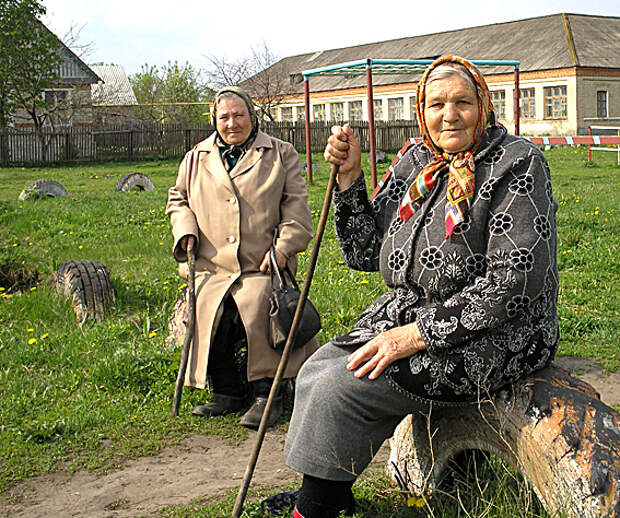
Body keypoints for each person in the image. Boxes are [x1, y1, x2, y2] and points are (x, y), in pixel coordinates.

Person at [263, 55, 559, 517]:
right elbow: (364, 251)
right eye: (437, 103)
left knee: (345, 385)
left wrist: (416, 334)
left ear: (483, 104)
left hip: (500, 332)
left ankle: (314, 509)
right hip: (412, 310)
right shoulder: (416, 160)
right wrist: (348, 178)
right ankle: (329, 495)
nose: (449, 114)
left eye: (462, 102)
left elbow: (514, 281)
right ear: (422, 110)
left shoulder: (516, 164)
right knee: (319, 369)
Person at [166, 87, 319, 429]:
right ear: (214, 120)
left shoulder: (280, 154)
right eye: (224, 117)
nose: (232, 123)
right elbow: (178, 201)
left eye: (239, 115)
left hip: (262, 266)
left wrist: (283, 248)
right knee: (212, 308)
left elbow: (296, 209)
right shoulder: (196, 158)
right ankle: (228, 390)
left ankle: (269, 393)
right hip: (213, 266)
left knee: (257, 302)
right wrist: (185, 230)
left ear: (252, 116)